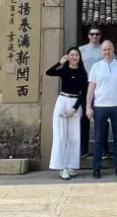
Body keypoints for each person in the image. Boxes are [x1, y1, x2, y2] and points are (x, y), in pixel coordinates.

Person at [45, 47, 88, 180]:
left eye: (77, 55)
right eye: (71, 55)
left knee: (74, 136)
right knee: (61, 135)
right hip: (63, 101)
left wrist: (75, 108)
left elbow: (84, 92)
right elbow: (49, 72)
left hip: (75, 103)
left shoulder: (82, 72)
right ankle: (61, 167)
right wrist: (60, 62)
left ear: (79, 57)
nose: (74, 57)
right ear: (68, 57)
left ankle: (70, 165)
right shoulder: (63, 70)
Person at [86, 40, 117, 179]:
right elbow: (91, 88)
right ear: (101, 51)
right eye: (104, 50)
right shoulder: (96, 67)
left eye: (109, 49)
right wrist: (88, 106)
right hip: (100, 106)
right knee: (99, 138)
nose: (106, 52)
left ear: (113, 49)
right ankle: (96, 168)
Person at [78, 28, 103, 157]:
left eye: (97, 34)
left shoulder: (104, 49)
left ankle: (103, 148)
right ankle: (84, 148)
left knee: (101, 117)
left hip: (101, 85)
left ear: (100, 35)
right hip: (86, 85)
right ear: (88, 35)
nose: (94, 36)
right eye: (92, 34)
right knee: (84, 117)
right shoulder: (81, 50)